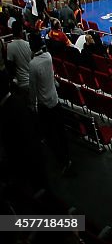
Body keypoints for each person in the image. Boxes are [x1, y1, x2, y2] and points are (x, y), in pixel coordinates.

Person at [28, 33, 71, 169]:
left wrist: (32, 104)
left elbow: (33, 87)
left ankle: (61, 160)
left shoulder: (33, 65)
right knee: (60, 130)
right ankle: (67, 156)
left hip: (44, 104)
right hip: (54, 99)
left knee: (51, 135)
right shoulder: (48, 57)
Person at [6, 22, 32, 94]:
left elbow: (10, 66)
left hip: (22, 83)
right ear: (21, 31)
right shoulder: (28, 44)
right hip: (31, 81)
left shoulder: (10, 46)